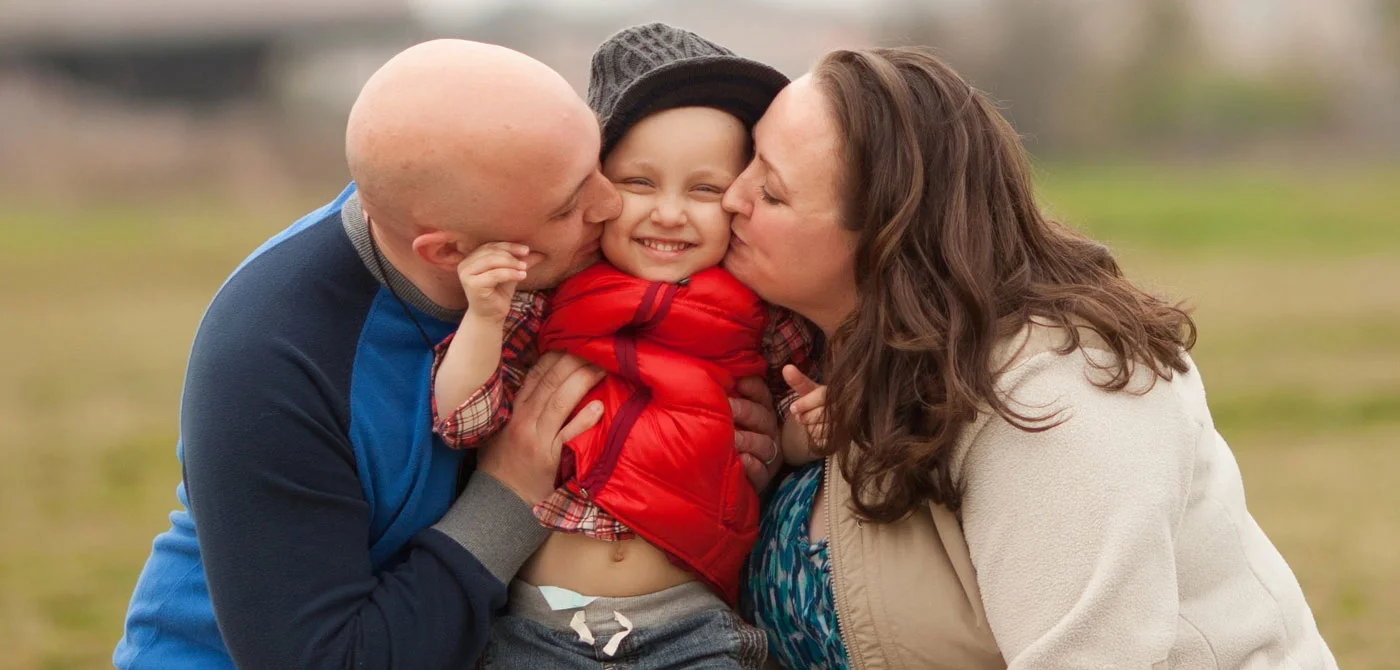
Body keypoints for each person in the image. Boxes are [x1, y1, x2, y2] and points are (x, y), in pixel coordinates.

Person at [113, 38, 783, 669]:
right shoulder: (274, 354)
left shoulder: (516, 225)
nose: (611, 206)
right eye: (568, 205)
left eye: (597, 168)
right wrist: (511, 490)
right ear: (448, 252)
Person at [731, 47, 1340, 669]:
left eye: (772, 193)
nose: (730, 196)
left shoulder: (1055, 398)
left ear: (885, 239)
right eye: (747, 157)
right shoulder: (829, 351)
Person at [431, 24, 810, 668]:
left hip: (690, 622)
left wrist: (800, 435)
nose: (668, 213)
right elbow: (462, 419)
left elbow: (793, 433)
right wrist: (486, 318)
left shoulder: (762, 315)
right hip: (537, 627)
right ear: (597, 190)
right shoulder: (551, 300)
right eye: (639, 182)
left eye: (705, 189)